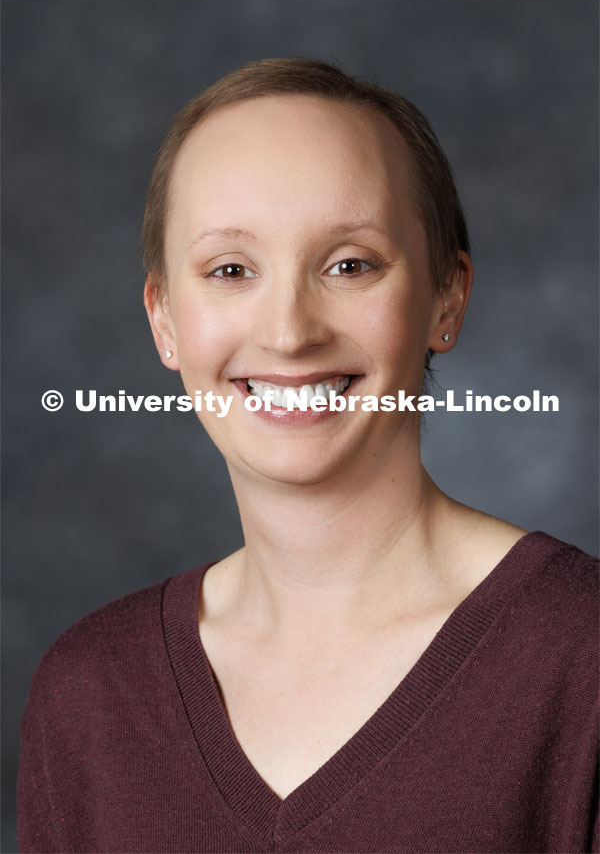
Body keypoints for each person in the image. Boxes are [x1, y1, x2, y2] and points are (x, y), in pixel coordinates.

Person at [17, 58, 598, 853]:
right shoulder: (89, 692)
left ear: (446, 299)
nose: (290, 332)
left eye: (350, 265)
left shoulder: (583, 656)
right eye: (230, 270)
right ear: (164, 322)